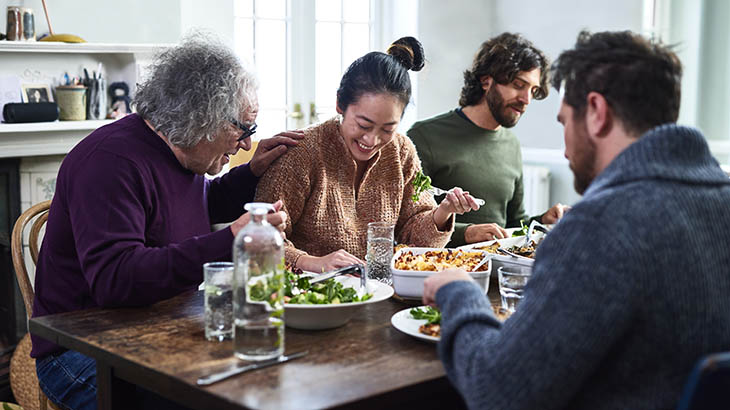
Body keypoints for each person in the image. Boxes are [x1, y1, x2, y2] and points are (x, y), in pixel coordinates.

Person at [422, 30, 730, 409]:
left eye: (565, 121)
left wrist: (460, 293)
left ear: (597, 113)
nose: (565, 145)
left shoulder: (600, 226)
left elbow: (498, 392)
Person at [31, 33, 303, 410]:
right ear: (203, 118)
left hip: (153, 329)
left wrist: (251, 172)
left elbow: (194, 206)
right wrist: (230, 240)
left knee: (263, 382)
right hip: (82, 347)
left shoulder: (181, 149)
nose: (245, 143)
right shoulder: (110, 162)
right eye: (243, 128)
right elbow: (116, 279)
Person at [254, 37, 479, 273]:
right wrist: (310, 262)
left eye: (387, 129)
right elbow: (260, 239)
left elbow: (416, 243)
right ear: (340, 104)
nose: (372, 140)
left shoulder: (402, 152)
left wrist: (443, 212)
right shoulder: (301, 153)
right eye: (363, 125)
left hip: (382, 292)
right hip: (310, 296)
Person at [407, 33, 568, 247]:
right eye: (518, 84)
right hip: (440, 269)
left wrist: (543, 221)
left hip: (496, 270)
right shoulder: (423, 136)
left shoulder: (511, 145)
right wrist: (467, 233)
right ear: (486, 81)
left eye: (533, 90)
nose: (526, 99)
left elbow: (513, 224)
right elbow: (406, 225)